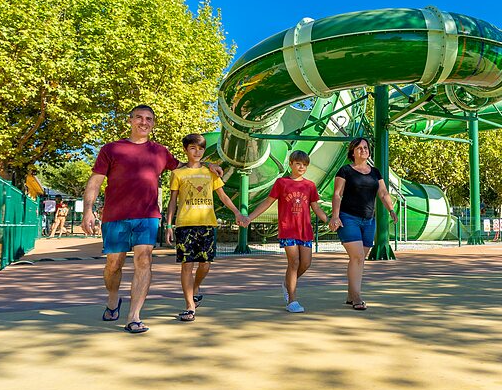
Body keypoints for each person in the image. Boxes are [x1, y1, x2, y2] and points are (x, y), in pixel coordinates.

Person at [82, 105, 221, 335]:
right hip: (115, 216)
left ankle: (134, 316)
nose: (144, 122)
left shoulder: (160, 151)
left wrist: (209, 165)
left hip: (147, 216)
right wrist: (88, 210)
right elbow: (95, 181)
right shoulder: (111, 149)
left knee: (144, 260)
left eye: (149, 119)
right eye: (139, 118)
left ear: (153, 124)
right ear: (130, 121)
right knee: (113, 264)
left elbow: (186, 166)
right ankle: (113, 298)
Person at [165, 133, 246, 322]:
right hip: (185, 224)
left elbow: (223, 196)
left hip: (208, 224)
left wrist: (237, 212)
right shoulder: (178, 174)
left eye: (201, 148)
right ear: (186, 150)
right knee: (187, 266)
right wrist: (169, 225)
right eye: (193, 148)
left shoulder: (211, 172)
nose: (197, 151)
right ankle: (189, 306)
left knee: (205, 264)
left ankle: (195, 287)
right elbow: (173, 201)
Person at [245, 150, 329, 313]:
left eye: (304, 164)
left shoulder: (310, 185)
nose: (301, 167)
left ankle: (287, 284)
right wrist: (249, 217)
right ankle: (292, 300)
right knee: (294, 262)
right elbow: (267, 202)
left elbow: (316, 207)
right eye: (298, 163)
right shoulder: (281, 183)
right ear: (290, 164)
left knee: (306, 263)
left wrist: (330, 220)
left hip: (305, 230)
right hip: (288, 229)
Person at [329, 137, 396, 310]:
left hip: (369, 220)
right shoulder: (345, 171)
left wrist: (391, 210)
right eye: (359, 148)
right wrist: (335, 216)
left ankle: (351, 295)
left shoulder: (375, 172)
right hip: (348, 218)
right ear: (352, 152)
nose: (363, 150)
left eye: (365, 147)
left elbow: (383, 193)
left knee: (359, 259)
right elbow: (337, 194)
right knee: (357, 256)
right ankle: (357, 297)